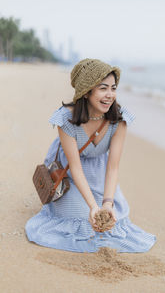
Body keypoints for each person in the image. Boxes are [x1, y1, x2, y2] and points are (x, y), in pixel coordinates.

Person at [25, 58, 157, 253]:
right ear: (86, 92)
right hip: (70, 169)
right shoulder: (66, 118)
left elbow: (113, 167)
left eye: (113, 88)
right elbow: (75, 167)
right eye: (103, 88)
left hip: (100, 170)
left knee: (115, 218)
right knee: (81, 218)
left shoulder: (119, 120)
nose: (110, 95)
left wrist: (107, 203)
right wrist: (93, 206)